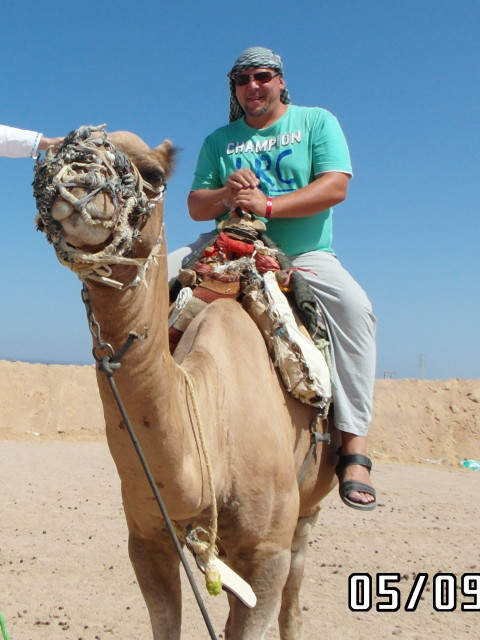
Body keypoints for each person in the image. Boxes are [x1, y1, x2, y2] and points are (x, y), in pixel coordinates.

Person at [185, 46, 377, 510]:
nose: (253, 85)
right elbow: (195, 206)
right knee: (149, 279)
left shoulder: (315, 122)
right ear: (234, 89)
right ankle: (148, 421)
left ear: (281, 82)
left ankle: (354, 448)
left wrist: (268, 206)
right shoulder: (220, 140)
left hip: (303, 253)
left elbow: (336, 186)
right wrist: (225, 193)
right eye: (243, 79)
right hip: (228, 243)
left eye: (262, 76)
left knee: (355, 310)